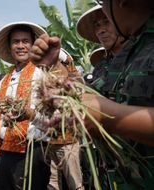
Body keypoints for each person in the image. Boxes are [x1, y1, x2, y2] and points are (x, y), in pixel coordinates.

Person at [30, 0, 154, 188]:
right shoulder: (112, 63)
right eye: (97, 25)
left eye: (105, 20)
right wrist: (55, 67)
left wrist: (109, 115)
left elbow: (99, 107)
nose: (102, 29)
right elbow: (86, 96)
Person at [0, 21, 55, 190]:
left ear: (33, 44)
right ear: (10, 46)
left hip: (33, 150)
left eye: (25, 41)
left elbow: (54, 118)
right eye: (16, 42)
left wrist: (30, 114)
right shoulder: (5, 80)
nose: (21, 46)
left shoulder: (43, 74)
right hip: (5, 149)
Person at [76, 4, 124, 91]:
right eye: (97, 25)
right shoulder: (100, 67)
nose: (100, 31)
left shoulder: (143, 56)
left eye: (107, 22)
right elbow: (95, 92)